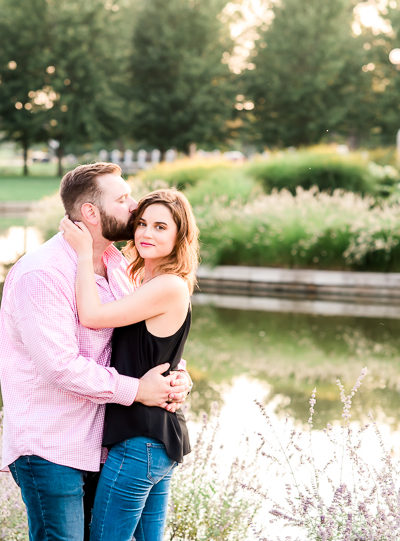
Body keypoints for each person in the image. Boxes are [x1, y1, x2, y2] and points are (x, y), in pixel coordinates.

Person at [0, 162, 191, 541]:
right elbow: (61, 368)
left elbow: (137, 340)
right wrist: (138, 390)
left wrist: (177, 377)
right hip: (52, 446)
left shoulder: (117, 266)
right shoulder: (42, 274)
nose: (134, 206)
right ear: (90, 212)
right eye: (122, 199)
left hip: (100, 443)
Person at [59, 187, 199, 541]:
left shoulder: (168, 285)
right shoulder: (141, 279)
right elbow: (160, 351)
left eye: (161, 227)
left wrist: (81, 253)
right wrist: (182, 375)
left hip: (142, 440)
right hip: (154, 438)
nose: (147, 233)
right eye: (142, 224)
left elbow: (92, 316)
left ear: (180, 235)